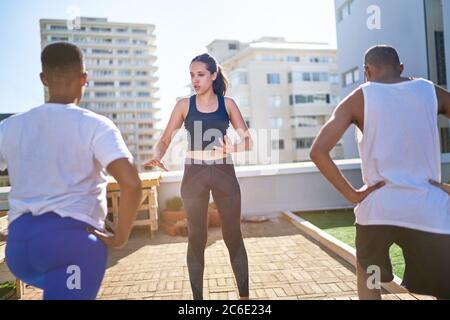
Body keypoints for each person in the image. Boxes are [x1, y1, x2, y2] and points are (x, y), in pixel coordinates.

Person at [0, 42, 143, 300]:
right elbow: (131, 184)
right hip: (71, 248)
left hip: (19, 250)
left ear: (43, 79)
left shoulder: (10, 126)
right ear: (84, 78)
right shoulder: (96, 126)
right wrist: (121, 236)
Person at [309, 45, 450, 300]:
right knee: (444, 287)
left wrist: (352, 195)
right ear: (401, 68)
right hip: (429, 208)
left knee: (370, 279)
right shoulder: (430, 91)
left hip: (378, 210)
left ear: (366, 71)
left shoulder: (358, 98)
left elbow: (318, 151)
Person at [145, 53, 252, 300]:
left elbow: (248, 140)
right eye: (192, 75)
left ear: (213, 76)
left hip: (224, 171)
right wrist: (158, 155)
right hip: (194, 174)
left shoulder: (228, 104)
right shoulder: (184, 105)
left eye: (200, 74)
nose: (195, 79)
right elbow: (164, 139)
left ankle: (245, 298)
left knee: (233, 235)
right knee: (197, 238)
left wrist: (231, 148)